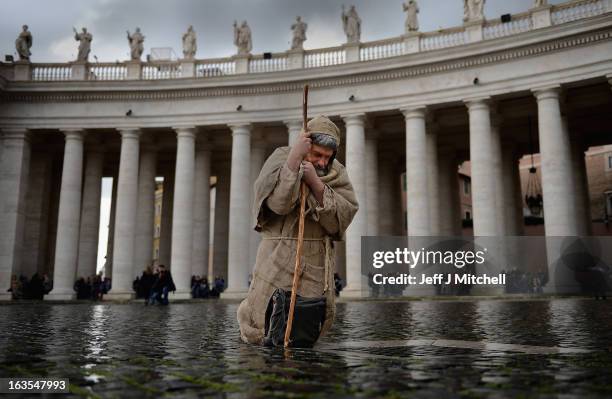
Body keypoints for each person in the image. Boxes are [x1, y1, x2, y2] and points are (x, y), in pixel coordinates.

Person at [237, 115, 358, 345]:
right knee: (266, 321)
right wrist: (294, 161)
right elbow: (277, 205)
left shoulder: (337, 172)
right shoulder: (282, 158)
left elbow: (342, 216)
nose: (323, 162)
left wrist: (315, 183)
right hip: (278, 257)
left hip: (315, 261)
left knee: (306, 327)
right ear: (306, 145)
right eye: (317, 155)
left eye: (328, 157)